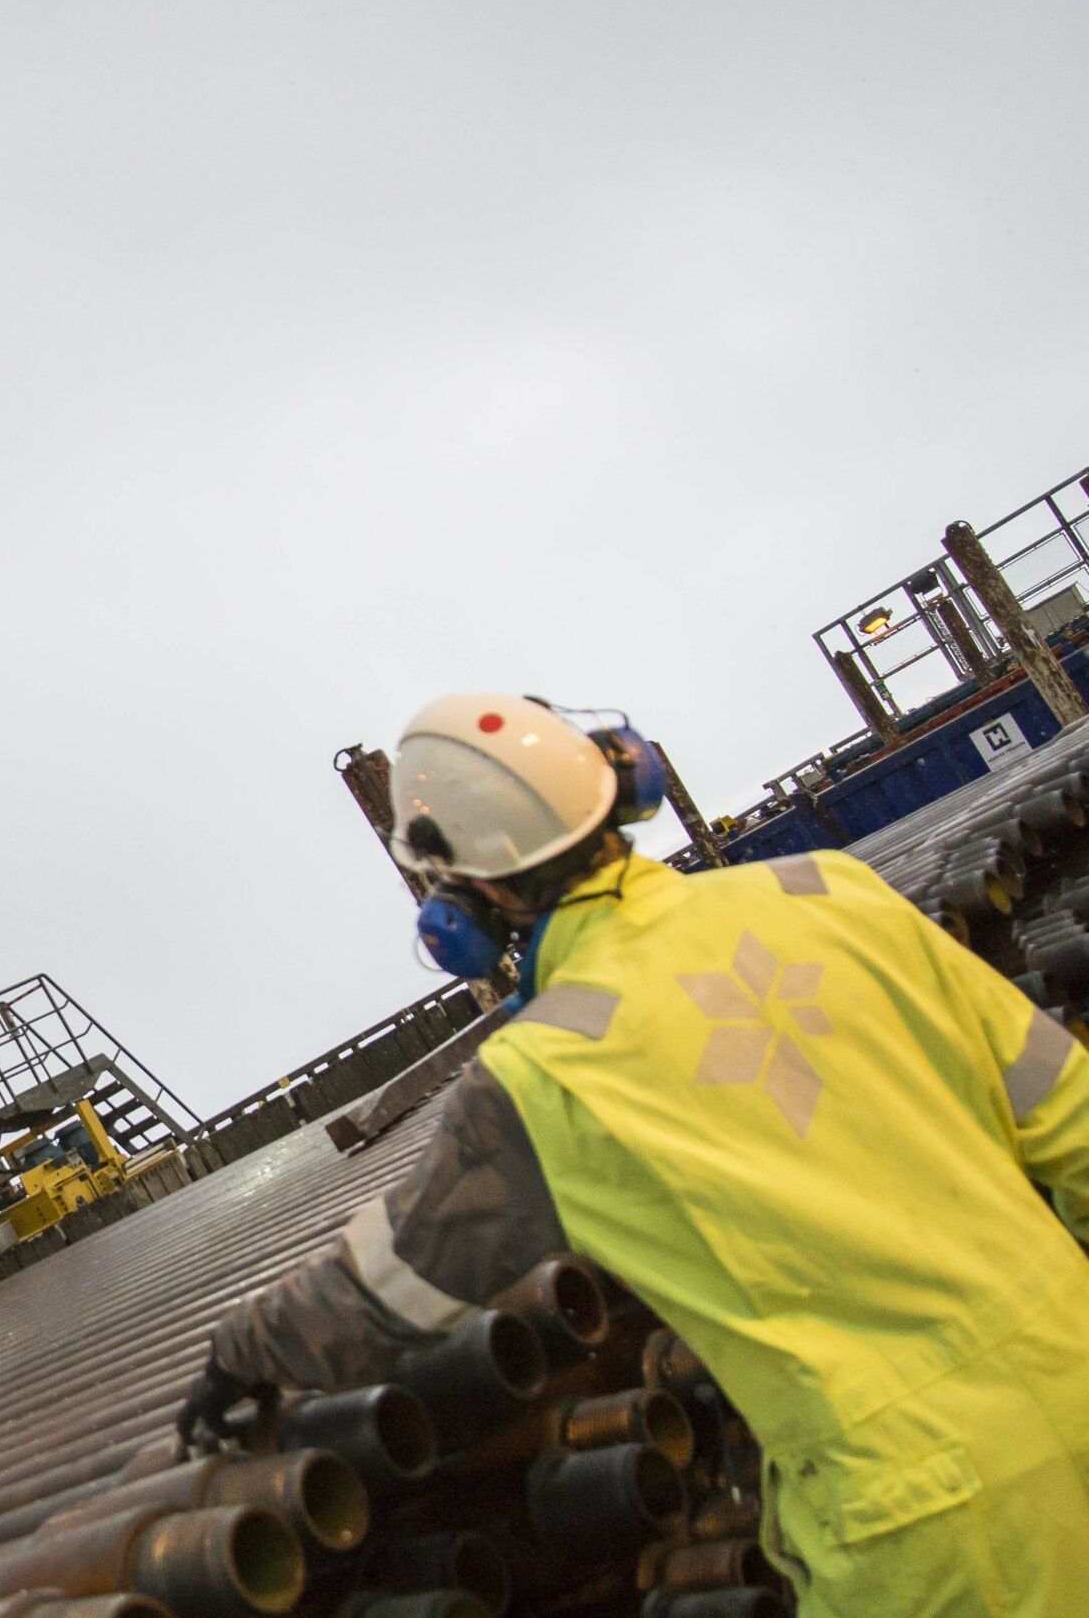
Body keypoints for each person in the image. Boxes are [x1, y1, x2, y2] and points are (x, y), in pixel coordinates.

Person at [178, 692, 1089, 1615]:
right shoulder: (828, 893)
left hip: (935, 1517)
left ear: (469, 900)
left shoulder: (548, 1073)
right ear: (621, 787)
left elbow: (386, 1288)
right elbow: (1075, 1119)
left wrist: (245, 1351)